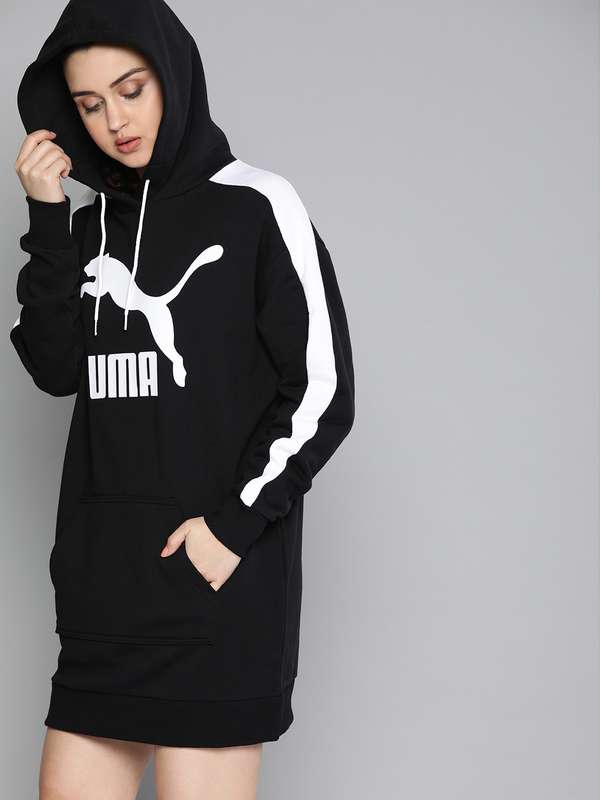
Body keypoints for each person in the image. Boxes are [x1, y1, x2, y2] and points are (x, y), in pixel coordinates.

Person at [11, 0, 355, 797]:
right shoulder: (89, 230)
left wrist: (232, 528)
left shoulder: (257, 204)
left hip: (214, 597)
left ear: (173, 75)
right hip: (105, 600)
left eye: (130, 90)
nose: (114, 121)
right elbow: (55, 367)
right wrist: (47, 218)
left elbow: (323, 388)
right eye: (89, 104)